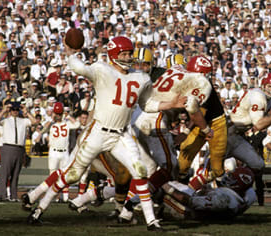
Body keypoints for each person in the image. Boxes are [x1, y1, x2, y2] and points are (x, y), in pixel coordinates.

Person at [26, 36, 185, 231]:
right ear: (113, 55)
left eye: (129, 54)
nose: (128, 58)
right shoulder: (103, 69)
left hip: (122, 135)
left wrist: (171, 104)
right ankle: (39, 210)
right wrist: (70, 53)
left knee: (140, 172)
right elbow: (80, 68)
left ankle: (152, 221)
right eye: (124, 54)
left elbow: (147, 104)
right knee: (72, 175)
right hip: (98, 132)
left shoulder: (140, 78)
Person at [177, 55, 228, 193]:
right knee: (183, 161)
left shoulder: (206, 88)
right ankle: (180, 193)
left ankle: (224, 194)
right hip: (199, 122)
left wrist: (185, 132)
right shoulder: (189, 83)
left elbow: (199, 114)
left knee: (217, 168)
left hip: (215, 123)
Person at [161, 167, 257, 220]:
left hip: (190, 211)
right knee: (174, 184)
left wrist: (168, 189)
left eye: (231, 178)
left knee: (161, 187)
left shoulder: (224, 199)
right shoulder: (247, 194)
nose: (227, 178)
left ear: (237, 184)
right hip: (205, 203)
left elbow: (190, 201)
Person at [0, 102, 36, 201]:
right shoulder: (6, 120)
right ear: (10, 110)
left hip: (20, 148)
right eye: (13, 109)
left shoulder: (23, 121)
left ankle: (13, 196)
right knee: (5, 173)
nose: (15, 111)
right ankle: (3, 195)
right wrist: (4, 110)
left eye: (17, 110)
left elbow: (34, 122)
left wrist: (27, 111)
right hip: (8, 147)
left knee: (15, 174)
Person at [45, 102, 80, 202]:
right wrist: (51, 119)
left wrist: (68, 116)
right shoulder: (51, 124)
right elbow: (42, 130)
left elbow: (77, 124)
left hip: (64, 152)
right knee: (52, 174)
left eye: (60, 114)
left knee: (65, 175)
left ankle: (65, 196)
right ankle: (53, 196)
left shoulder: (67, 124)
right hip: (53, 151)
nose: (58, 116)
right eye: (57, 113)